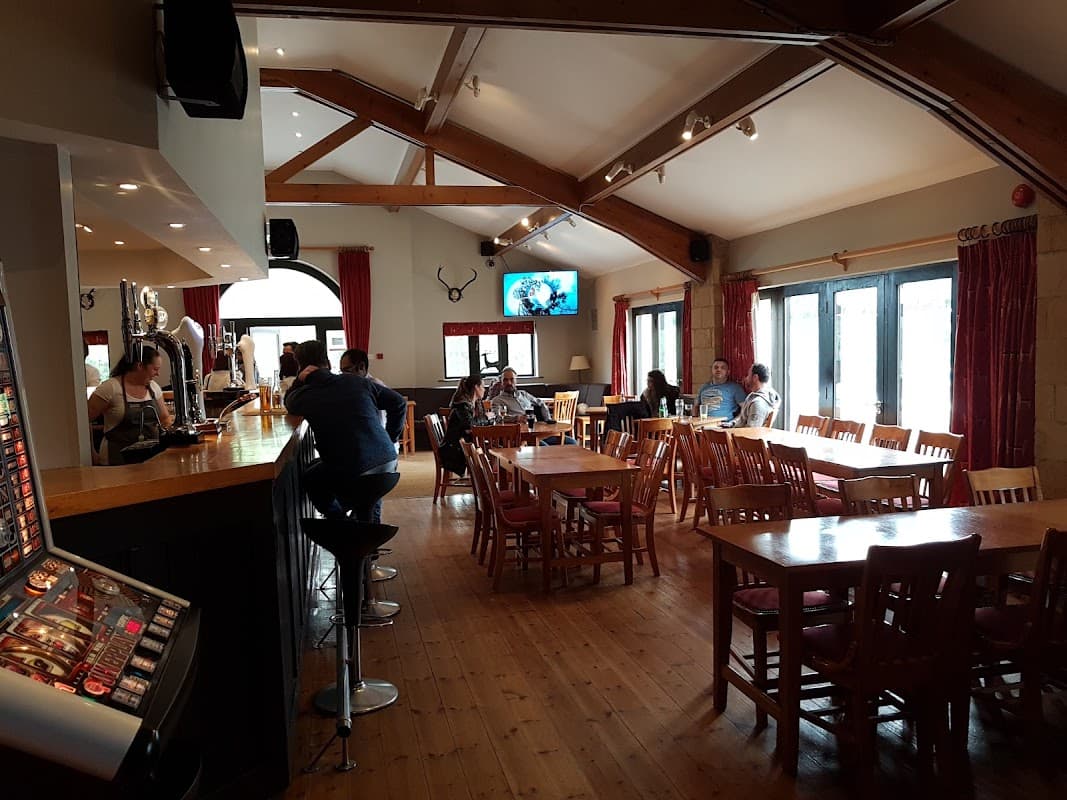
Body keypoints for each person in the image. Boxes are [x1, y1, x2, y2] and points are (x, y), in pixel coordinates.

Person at [284, 340, 406, 522]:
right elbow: (399, 402)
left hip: (354, 471)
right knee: (360, 492)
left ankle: (343, 525)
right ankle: (364, 537)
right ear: (329, 363)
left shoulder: (305, 396)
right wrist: (390, 439)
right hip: (388, 463)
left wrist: (299, 381)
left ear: (300, 367)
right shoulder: (356, 381)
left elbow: (288, 402)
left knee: (311, 478)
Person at [87, 346, 174, 465]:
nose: (157, 374)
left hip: (152, 459)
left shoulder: (154, 388)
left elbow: (165, 419)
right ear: (140, 366)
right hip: (116, 459)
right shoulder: (110, 388)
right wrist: (91, 453)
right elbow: (84, 422)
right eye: (155, 369)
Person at [486, 367, 576, 445]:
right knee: (545, 449)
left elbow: (541, 403)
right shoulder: (497, 400)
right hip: (520, 438)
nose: (509, 383)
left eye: (512, 379)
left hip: (538, 432)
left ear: (516, 381)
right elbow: (497, 418)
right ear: (501, 383)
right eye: (505, 380)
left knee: (571, 442)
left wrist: (547, 419)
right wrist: (517, 418)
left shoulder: (524, 394)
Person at [438, 375, 486, 477]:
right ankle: (487, 480)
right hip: (453, 451)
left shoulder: (473, 404)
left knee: (488, 448)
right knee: (489, 451)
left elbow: (472, 426)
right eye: (483, 386)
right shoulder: (462, 405)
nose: (484, 389)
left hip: (459, 446)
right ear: (476, 387)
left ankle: (487, 479)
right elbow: (470, 426)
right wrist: (486, 418)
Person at [721, 363, 780, 428]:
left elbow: (751, 432)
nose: (746, 378)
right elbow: (742, 419)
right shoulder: (753, 396)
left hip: (743, 436)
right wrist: (732, 423)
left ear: (755, 377)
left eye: (748, 375)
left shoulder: (758, 403)